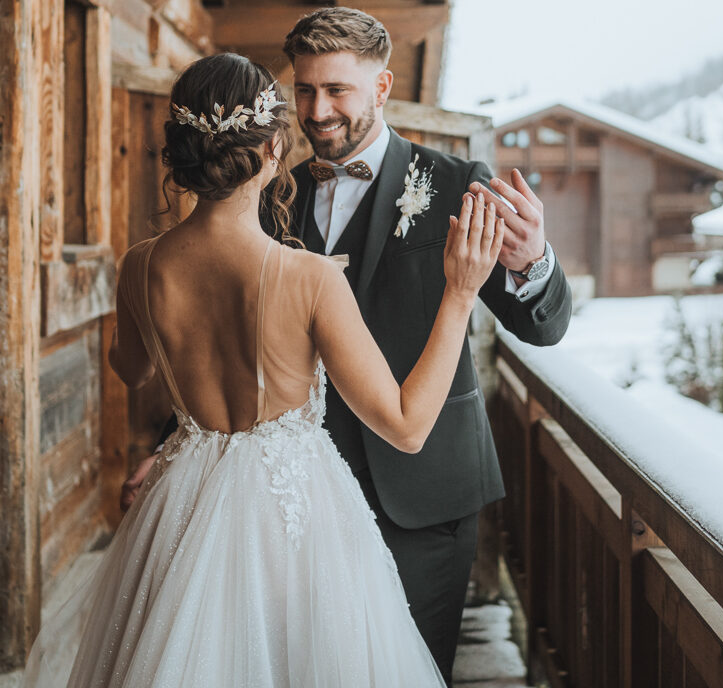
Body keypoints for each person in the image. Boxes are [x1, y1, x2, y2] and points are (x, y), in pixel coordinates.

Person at [121, 7, 574, 683]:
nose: (317, 109)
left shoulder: (455, 184)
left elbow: (542, 327)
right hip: (284, 508)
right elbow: (223, 339)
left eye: (337, 90)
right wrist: (179, 444)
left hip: (421, 498)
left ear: (382, 87)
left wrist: (534, 262)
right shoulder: (273, 189)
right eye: (303, 90)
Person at [24, 53, 503, 687]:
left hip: (183, 500)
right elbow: (409, 427)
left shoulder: (139, 267)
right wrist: (461, 295)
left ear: (183, 152)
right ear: (275, 149)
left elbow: (131, 369)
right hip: (295, 517)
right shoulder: (308, 278)